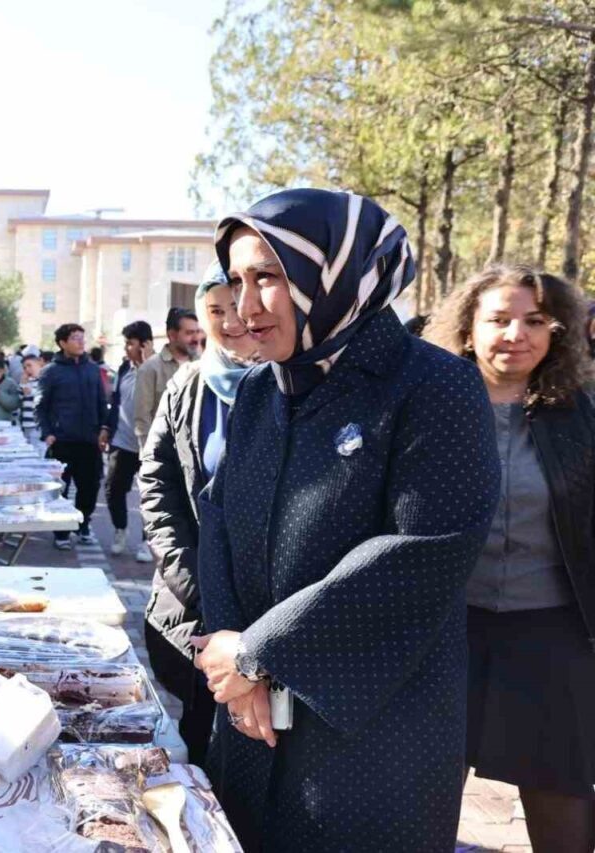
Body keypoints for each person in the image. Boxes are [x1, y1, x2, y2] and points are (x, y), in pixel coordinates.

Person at [190, 189, 498, 851]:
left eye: (268, 277)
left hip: (370, 744)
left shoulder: (434, 387)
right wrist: (232, 656)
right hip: (250, 724)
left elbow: (426, 548)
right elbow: (214, 520)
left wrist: (259, 653)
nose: (244, 307)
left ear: (335, 276)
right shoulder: (255, 392)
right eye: (236, 281)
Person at [426, 264, 595, 853]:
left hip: (550, 635)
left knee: (564, 811)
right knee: (420, 803)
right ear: (469, 329)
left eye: (534, 321)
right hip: (444, 634)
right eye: (498, 319)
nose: (515, 334)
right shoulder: (427, 407)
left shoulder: (582, 414)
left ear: (557, 333)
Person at [139, 263, 258, 765]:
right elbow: (157, 483)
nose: (230, 322)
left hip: (265, 611)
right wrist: (192, 579)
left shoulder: (294, 386)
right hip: (188, 606)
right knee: (199, 738)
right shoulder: (186, 385)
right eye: (215, 311)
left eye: (238, 308)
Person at [36, 323, 109, 550]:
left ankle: (83, 524)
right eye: (75, 338)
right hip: (62, 442)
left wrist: (104, 428)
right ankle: (61, 531)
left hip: (90, 440)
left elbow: (101, 402)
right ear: (62, 343)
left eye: (82, 338)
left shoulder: (93, 369)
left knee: (89, 487)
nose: (80, 342)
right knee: (61, 489)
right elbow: (41, 407)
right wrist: (47, 433)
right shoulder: (50, 372)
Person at [100, 320, 155, 561]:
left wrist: (148, 361)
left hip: (150, 445)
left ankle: (147, 541)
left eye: (130, 344)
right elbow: (117, 401)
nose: (126, 349)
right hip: (122, 442)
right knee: (113, 489)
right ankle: (120, 530)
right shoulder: (124, 369)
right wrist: (106, 428)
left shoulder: (157, 369)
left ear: (145, 345)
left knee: (151, 496)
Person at [135, 307, 203, 446]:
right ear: (172, 335)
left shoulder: (203, 365)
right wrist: (151, 457)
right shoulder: (150, 369)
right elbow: (142, 419)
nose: (195, 338)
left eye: (197, 332)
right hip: (165, 453)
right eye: (189, 333)